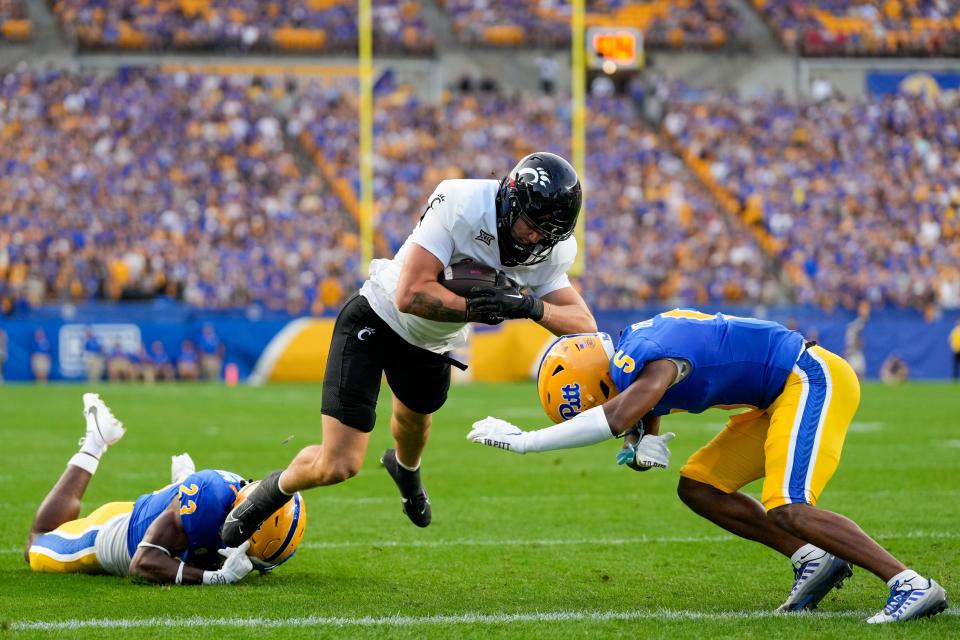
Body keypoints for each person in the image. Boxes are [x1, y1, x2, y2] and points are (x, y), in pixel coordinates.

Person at [467, 309, 948, 624]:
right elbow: (638, 407)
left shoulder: (644, 358)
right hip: (772, 398)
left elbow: (619, 413)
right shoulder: (636, 352)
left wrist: (527, 442)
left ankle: (910, 583)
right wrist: (645, 443)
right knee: (698, 486)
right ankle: (813, 558)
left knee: (787, 505)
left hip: (808, 378)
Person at [222, 152, 597, 544]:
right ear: (510, 202)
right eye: (530, 225)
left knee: (414, 425)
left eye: (546, 233)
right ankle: (266, 495)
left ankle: (406, 470)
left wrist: (530, 306)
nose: (535, 238)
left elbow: (584, 325)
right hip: (377, 317)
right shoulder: (462, 204)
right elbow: (409, 293)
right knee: (338, 465)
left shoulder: (550, 250)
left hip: (432, 342)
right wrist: (478, 307)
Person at [25, 393, 303, 584]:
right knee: (36, 545)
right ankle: (94, 444)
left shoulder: (236, 502)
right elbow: (143, 564)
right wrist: (212, 578)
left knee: (185, 511)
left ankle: (181, 483)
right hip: (118, 537)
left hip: (159, 515)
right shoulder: (210, 499)